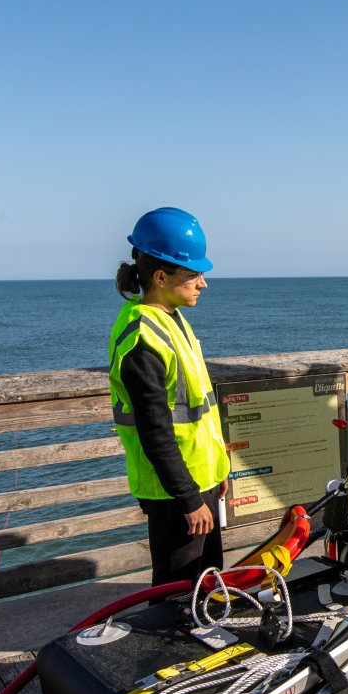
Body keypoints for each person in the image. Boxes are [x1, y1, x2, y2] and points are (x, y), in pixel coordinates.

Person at [109, 207, 230, 590]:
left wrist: (217, 472)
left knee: (207, 584)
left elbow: (196, 409)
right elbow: (155, 430)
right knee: (177, 590)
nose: (203, 284)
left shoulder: (171, 319)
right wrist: (189, 498)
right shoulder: (143, 338)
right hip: (174, 493)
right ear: (161, 276)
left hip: (199, 480)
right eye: (193, 274)